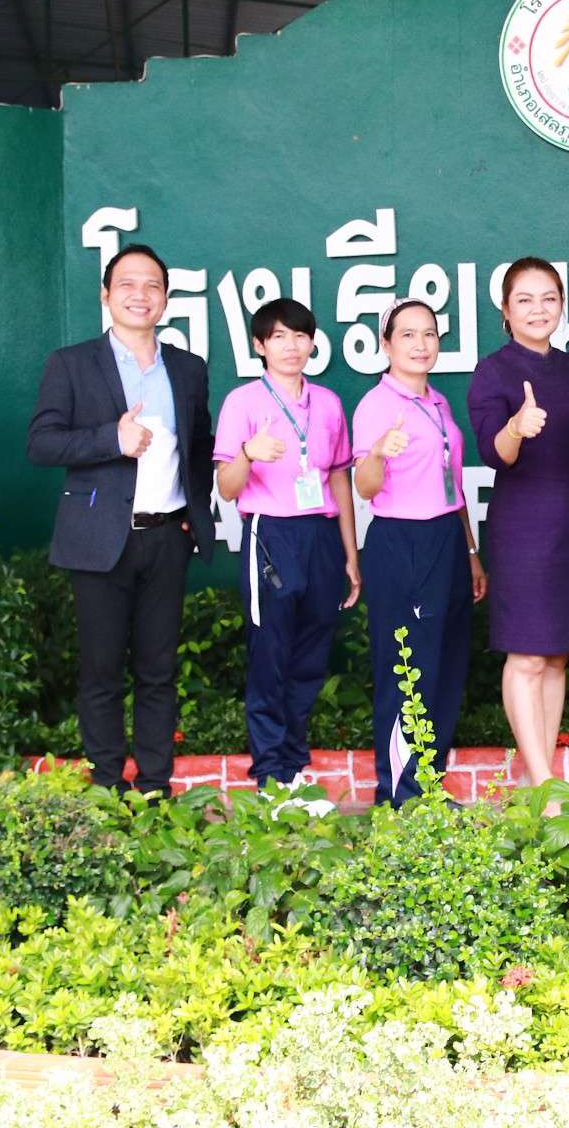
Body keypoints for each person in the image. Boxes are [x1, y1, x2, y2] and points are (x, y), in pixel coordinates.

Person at [27, 242, 215, 795]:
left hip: (167, 537)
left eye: (153, 285)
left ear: (166, 300)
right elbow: (42, 443)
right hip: (98, 540)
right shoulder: (71, 364)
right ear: (106, 295)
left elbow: (199, 447)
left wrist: (194, 512)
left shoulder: (188, 368)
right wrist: (112, 438)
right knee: (102, 671)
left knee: (158, 672)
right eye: (128, 284)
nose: (141, 294)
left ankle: (154, 786)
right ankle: (107, 786)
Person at [467, 258, 569, 802]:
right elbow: (495, 454)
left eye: (549, 298)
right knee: (527, 654)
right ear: (506, 311)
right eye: (525, 300)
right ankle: (545, 787)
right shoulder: (493, 370)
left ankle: (539, 779)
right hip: (524, 529)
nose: (538, 309)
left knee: (556, 655)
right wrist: (516, 426)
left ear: (562, 305)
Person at [212, 298, 360, 801]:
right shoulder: (243, 403)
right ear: (260, 345)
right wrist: (248, 453)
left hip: (320, 534)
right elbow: (227, 487)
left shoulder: (328, 403)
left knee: (311, 656)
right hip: (270, 534)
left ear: (312, 343)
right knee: (271, 654)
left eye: (300, 336)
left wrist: (350, 553)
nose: (291, 346)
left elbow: (337, 479)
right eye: (278, 336)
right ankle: (270, 775)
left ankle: (293, 768)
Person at [352, 298, 488, 807]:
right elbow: (365, 486)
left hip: (446, 540)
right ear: (386, 344)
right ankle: (399, 794)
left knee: (444, 667)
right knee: (407, 669)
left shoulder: (438, 403)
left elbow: (453, 488)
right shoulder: (376, 405)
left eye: (428, 333)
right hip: (402, 542)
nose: (420, 344)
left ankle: (428, 786)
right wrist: (378, 453)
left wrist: (470, 551)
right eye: (407, 334)